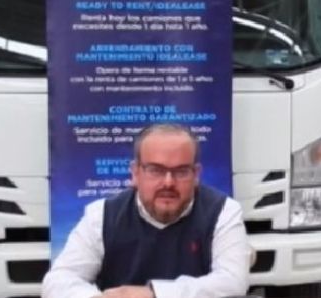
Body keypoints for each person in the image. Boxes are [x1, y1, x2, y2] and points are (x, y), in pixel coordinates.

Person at [42, 123, 251, 298]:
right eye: (155, 170)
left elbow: (233, 281)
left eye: (181, 171)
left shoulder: (223, 211)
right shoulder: (102, 216)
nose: (168, 182)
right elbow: (58, 281)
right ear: (135, 173)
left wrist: (154, 294)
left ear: (196, 175)